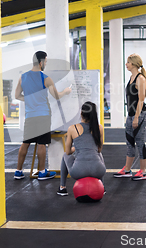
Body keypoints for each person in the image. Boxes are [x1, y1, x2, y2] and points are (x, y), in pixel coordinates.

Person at [14, 51, 71, 180]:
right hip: (43, 116)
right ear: (41, 62)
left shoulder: (23, 77)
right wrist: (66, 91)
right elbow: (56, 96)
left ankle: (18, 171)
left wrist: (29, 99)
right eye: (45, 62)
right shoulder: (45, 78)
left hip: (30, 116)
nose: (45, 64)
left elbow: (17, 96)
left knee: (25, 143)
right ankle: (42, 172)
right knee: (41, 144)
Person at [114, 53, 146, 181]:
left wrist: (136, 117)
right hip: (131, 114)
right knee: (129, 142)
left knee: (139, 142)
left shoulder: (140, 79)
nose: (126, 64)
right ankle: (127, 170)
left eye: (128, 62)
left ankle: (143, 171)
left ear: (134, 63)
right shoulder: (131, 77)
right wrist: (130, 116)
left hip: (139, 115)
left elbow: (140, 100)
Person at [57, 101, 105, 196]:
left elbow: (68, 152)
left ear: (81, 113)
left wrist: (76, 148)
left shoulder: (72, 128)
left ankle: (62, 188)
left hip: (78, 171)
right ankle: (102, 186)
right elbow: (99, 149)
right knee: (98, 154)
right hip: (99, 171)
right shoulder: (99, 128)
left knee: (64, 155)